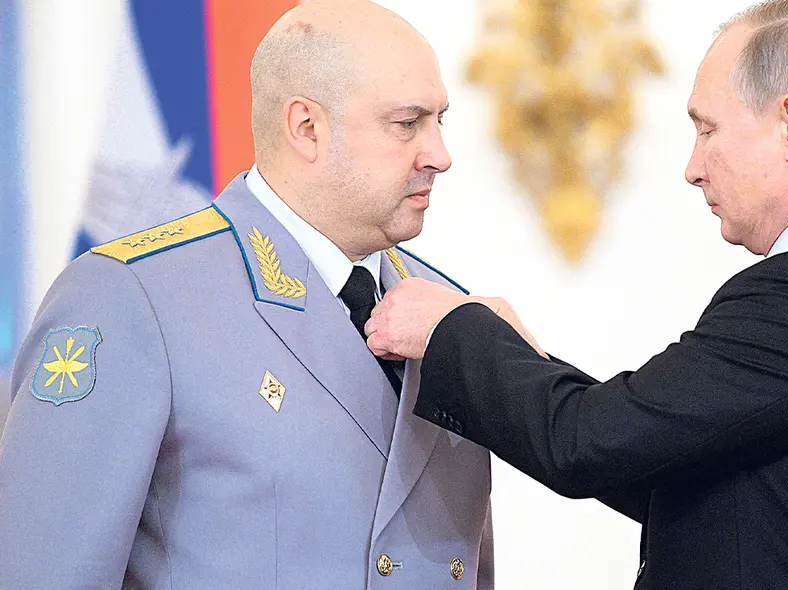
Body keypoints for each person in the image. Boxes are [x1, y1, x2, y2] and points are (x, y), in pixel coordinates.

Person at [365, 1, 788, 588]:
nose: (693, 166)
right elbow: (667, 467)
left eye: (708, 129)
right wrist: (522, 358)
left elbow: (586, 444)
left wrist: (448, 331)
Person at [0, 1, 493, 587]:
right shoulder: (133, 298)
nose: (440, 155)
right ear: (307, 128)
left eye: (440, 121)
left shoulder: (451, 311)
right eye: (407, 123)